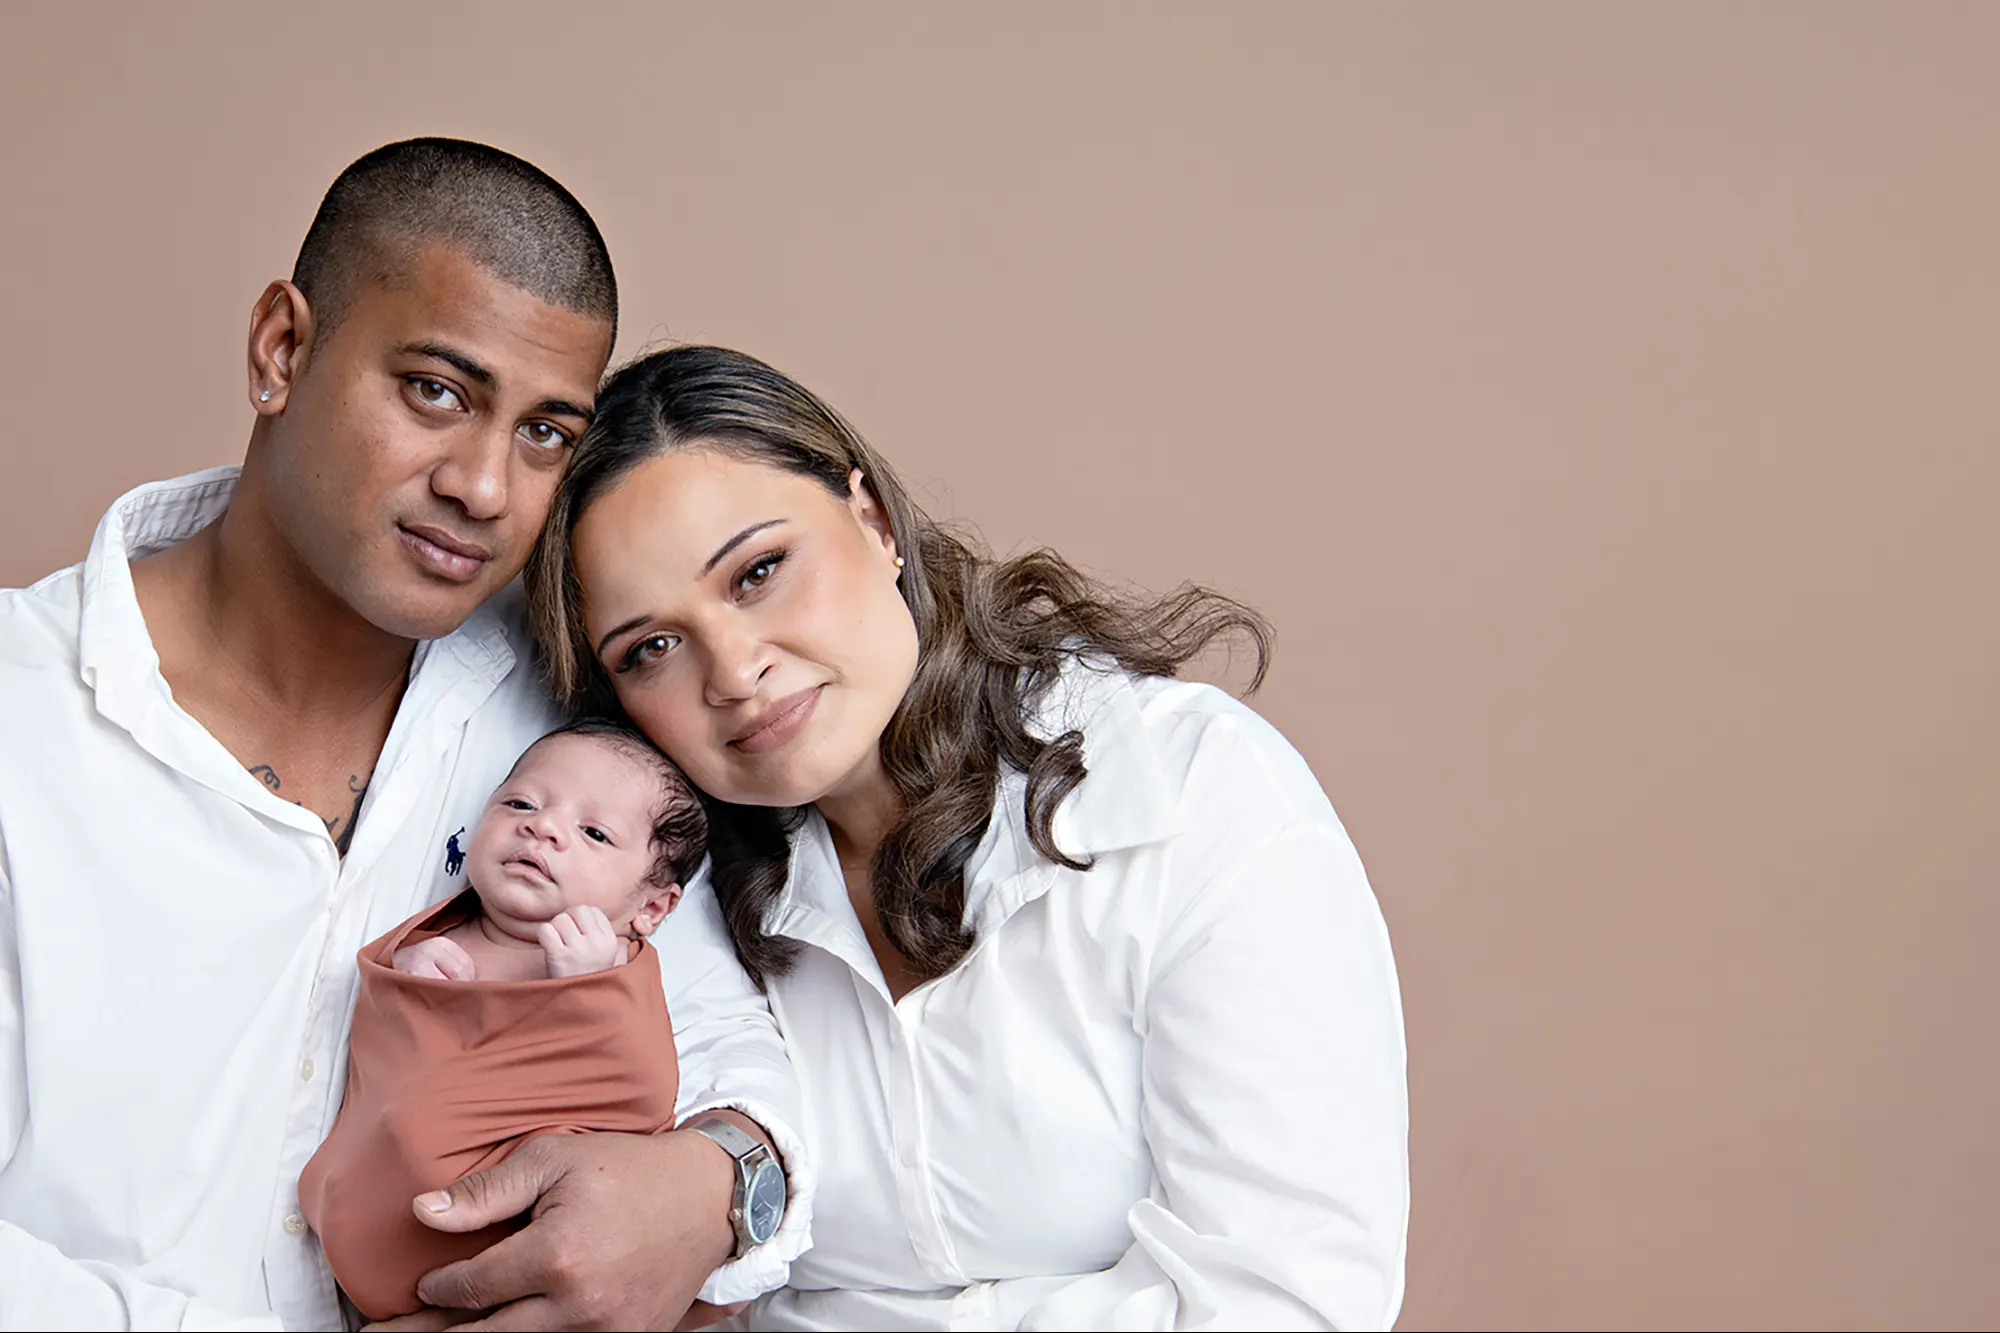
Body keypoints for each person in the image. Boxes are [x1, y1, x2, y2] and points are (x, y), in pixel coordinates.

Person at [0, 142, 811, 1331]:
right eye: (436, 390)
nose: (485, 487)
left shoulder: (561, 720)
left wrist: (715, 1180)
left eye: (545, 433)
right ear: (283, 349)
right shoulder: (23, 720)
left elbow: (732, 1041)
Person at [528, 345, 1411, 1330]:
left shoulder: (1186, 789)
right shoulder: (667, 909)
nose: (732, 672)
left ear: (870, 520)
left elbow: (1289, 1302)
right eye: (652, 647)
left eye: (760, 571)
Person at [300, 720, 713, 1320]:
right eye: (519, 802)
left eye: (593, 832)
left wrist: (590, 994)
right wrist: (410, 970)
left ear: (651, 907)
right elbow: (385, 1034)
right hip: (359, 1241)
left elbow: (638, 1094)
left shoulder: (611, 975)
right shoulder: (435, 932)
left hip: (504, 1263)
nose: (542, 826)